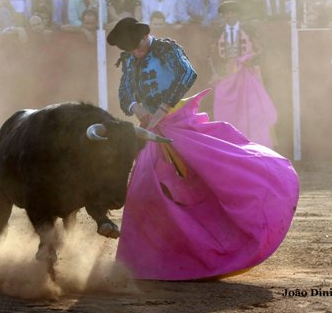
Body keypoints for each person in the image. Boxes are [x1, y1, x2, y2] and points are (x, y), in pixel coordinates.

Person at [107, 17, 299, 280]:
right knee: (142, 190)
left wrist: (163, 107)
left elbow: (187, 73)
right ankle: (145, 263)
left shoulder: (165, 48)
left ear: (144, 37)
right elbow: (124, 94)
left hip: (177, 120)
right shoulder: (129, 59)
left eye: (137, 48)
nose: (135, 54)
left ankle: (217, 247)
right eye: (130, 51)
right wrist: (135, 108)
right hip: (152, 130)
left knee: (213, 172)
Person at [208, 0, 277, 148]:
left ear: (237, 14)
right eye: (226, 13)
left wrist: (249, 60)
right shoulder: (218, 31)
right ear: (223, 16)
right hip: (226, 77)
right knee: (228, 111)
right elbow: (212, 54)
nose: (229, 15)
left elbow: (260, 50)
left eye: (232, 12)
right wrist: (217, 73)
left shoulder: (249, 29)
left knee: (252, 110)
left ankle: (254, 144)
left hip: (246, 75)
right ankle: (231, 144)